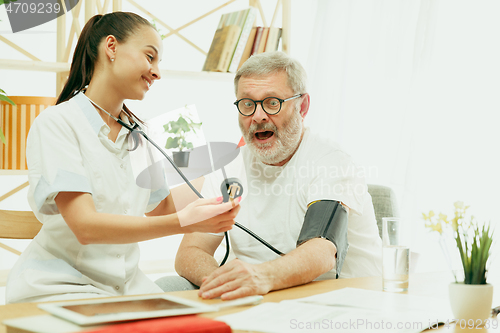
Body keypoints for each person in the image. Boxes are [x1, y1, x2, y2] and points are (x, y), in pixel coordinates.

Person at [5, 12, 239, 304]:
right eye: (150, 57)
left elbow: (159, 206)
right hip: (60, 284)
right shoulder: (57, 123)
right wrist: (186, 223)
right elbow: (85, 226)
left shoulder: (138, 132)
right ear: (112, 47)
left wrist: (219, 183)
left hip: (126, 286)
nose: (157, 72)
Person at [164, 52, 382, 300]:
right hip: (260, 300)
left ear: (303, 106)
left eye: (272, 102)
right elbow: (190, 251)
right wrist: (225, 284)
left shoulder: (331, 162)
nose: (258, 116)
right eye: (247, 104)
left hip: (340, 302)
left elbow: (322, 248)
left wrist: (259, 278)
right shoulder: (229, 167)